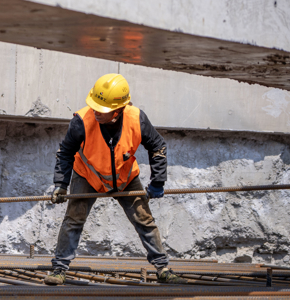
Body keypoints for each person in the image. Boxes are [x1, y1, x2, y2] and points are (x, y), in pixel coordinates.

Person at [45, 73, 187, 285]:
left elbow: (158, 146)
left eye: (102, 109)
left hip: (125, 176)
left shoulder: (137, 119)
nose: (96, 111)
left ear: (119, 110)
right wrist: (61, 184)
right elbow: (65, 152)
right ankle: (59, 269)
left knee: (144, 219)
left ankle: (163, 268)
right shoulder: (82, 121)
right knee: (73, 220)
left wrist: (158, 181)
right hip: (89, 175)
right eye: (94, 106)